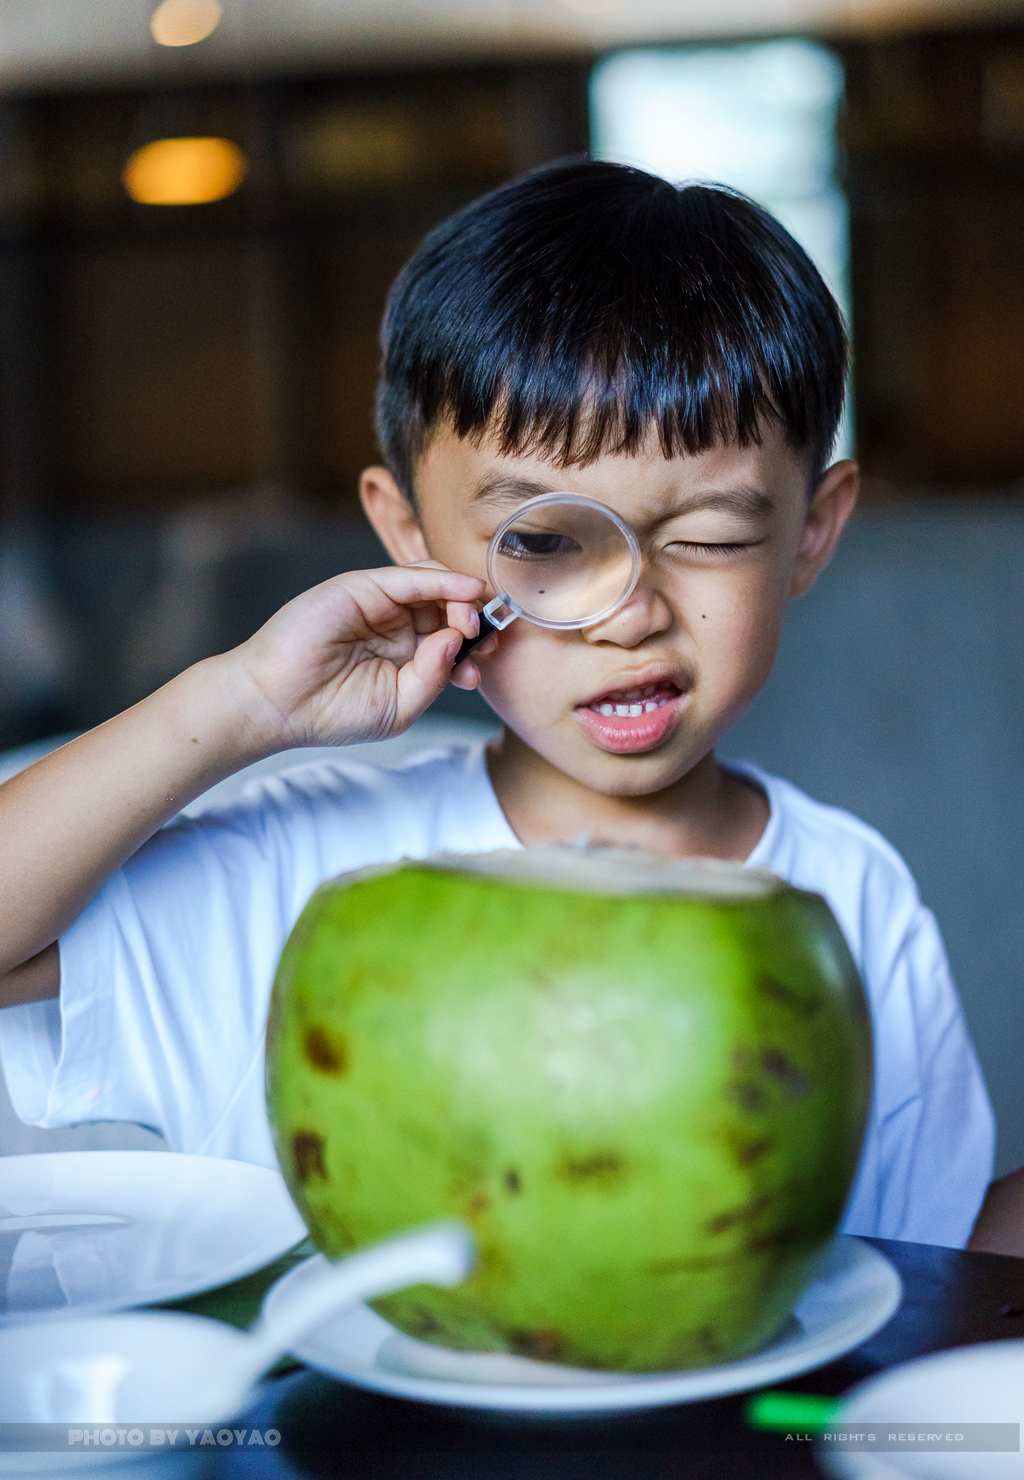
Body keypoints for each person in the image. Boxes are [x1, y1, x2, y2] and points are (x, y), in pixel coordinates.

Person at [0, 161, 993, 1248]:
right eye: (545, 543)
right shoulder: (303, 867)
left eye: (708, 537)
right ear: (412, 537)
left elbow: (923, 1269)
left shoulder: (849, 898)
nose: (630, 614)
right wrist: (240, 700)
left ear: (811, 529)